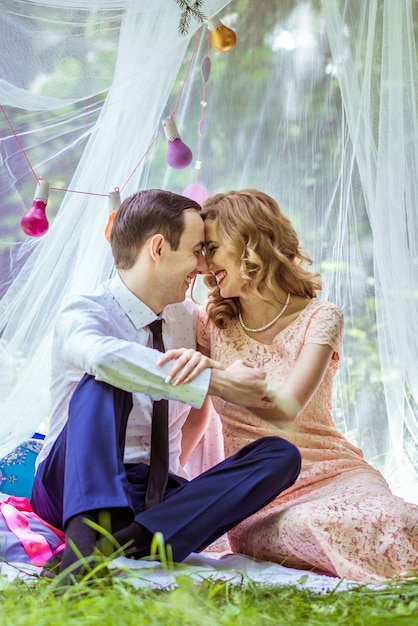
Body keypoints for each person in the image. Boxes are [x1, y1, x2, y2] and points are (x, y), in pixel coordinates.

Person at [30, 188, 301, 580]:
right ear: (158, 248)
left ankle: (125, 542)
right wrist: (215, 381)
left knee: (281, 456)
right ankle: (83, 548)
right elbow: (104, 357)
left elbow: (242, 390)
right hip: (71, 484)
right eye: (196, 251)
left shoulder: (189, 318)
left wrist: (237, 373)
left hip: (154, 497)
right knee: (105, 380)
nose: (203, 266)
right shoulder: (84, 310)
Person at [164, 188, 418, 583]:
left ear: (248, 242)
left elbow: (286, 409)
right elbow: (196, 418)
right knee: (310, 526)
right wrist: (173, 482)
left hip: (337, 472)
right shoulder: (210, 322)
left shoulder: (321, 317)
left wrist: (217, 375)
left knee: (392, 518)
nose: (203, 265)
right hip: (262, 496)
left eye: (211, 248)